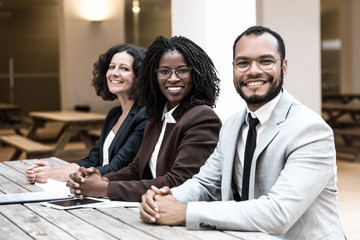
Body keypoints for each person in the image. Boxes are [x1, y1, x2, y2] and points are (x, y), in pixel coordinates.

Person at [140, 26, 347, 239]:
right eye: (243, 63)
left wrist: (184, 212)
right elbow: (205, 183)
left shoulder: (310, 130)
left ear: (283, 67)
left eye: (265, 61)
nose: (253, 71)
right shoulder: (232, 125)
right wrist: (164, 198)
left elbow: (278, 213)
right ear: (233, 69)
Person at [66, 35, 222, 202]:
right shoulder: (157, 116)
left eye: (182, 70)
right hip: (152, 210)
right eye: (164, 71)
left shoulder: (202, 118)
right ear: (153, 77)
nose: (173, 78)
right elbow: (136, 168)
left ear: (196, 74)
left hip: (182, 216)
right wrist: (103, 179)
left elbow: (178, 181)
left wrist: (106, 188)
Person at [25, 44, 147, 183]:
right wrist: (55, 170)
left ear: (139, 77)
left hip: (122, 192)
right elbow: (94, 158)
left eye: (124, 68)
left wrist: (60, 175)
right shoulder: (115, 114)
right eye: (112, 67)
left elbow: (118, 167)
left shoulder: (144, 115)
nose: (114, 73)